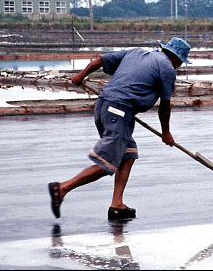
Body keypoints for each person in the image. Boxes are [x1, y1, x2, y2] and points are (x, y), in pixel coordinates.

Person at [48, 37, 191, 220]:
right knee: (109, 162)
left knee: (128, 154)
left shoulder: (136, 52)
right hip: (118, 111)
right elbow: (165, 105)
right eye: (181, 63)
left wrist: (80, 76)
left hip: (104, 106)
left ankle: (117, 205)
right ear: (177, 59)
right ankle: (62, 188)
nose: (179, 66)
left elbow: (100, 60)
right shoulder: (167, 69)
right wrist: (166, 133)